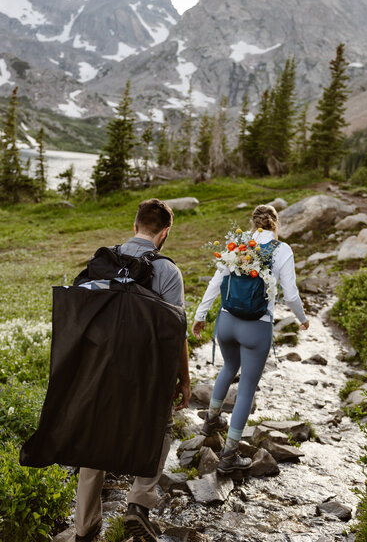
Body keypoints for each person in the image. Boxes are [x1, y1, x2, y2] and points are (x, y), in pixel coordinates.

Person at [74, 198, 191, 542]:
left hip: (100, 370)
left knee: (94, 439)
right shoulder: (168, 271)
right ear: (165, 231)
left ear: (134, 225)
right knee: (162, 426)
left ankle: (84, 527)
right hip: (147, 372)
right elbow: (176, 332)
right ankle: (138, 504)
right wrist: (183, 379)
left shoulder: (102, 262)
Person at [192, 204, 309, 474]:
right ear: (274, 224)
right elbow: (290, 295)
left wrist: (200, 315)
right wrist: (301, 319)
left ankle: (210, 421)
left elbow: (215, 283)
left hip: (226, 322)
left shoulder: (237, 245)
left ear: (252, 223)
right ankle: (229, 455)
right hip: (257, 327)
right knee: (246, 387)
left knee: (229, 367)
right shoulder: (282, 250)